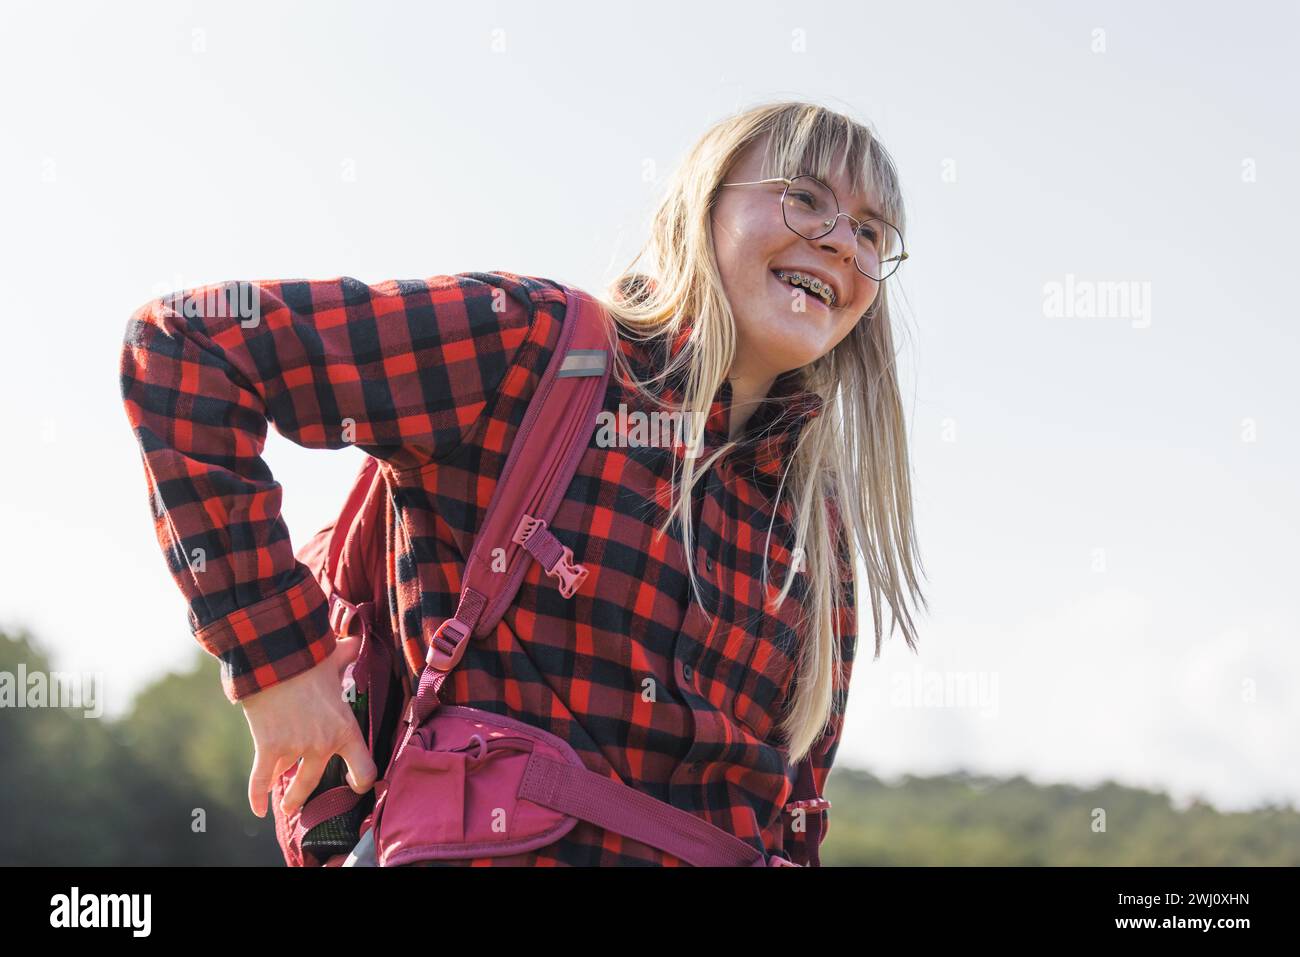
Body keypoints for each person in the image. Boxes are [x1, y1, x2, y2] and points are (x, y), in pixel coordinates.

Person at [119, 99, 927, 866]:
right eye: (803, 197)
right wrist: (279, 665)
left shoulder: (819, 540)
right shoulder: (534, 349)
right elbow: (190, 347)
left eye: (868, 232)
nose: (839, 244)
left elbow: (794, 820)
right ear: (704, 204)